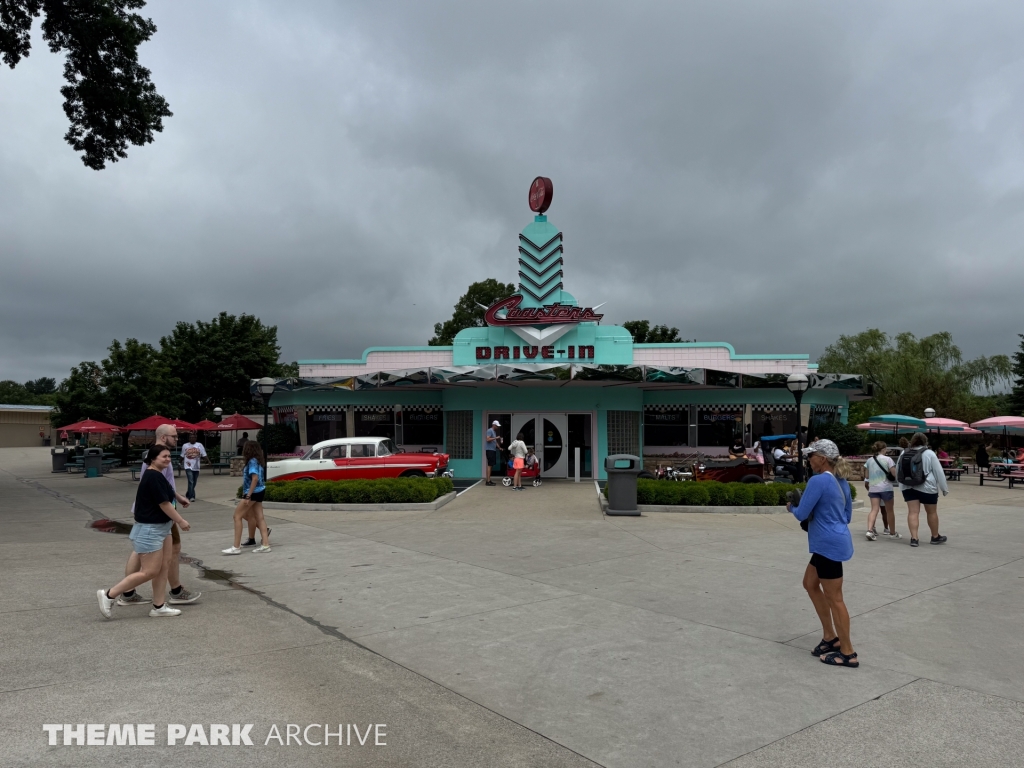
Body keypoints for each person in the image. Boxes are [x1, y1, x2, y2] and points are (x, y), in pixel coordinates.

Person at [97, 445, 192, 619]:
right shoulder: (152, 476)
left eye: (169, 456)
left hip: (162, 527)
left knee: (164, 567)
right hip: (150, 529)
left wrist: (179, 498)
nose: (168, 459)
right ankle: (109, 594)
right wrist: (181, 520)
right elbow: (164, 504)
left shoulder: (157, 475)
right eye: (164, 456)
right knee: (150, 571)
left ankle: (159, 606)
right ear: (153, 458)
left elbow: (168, 493)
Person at [788, 439, 857, 668]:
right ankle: (830, 637)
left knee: (835, 599)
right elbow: (846, 516)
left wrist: (792, 507)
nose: (808, 459)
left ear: (822, 459)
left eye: (810, 456)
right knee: (809, 583)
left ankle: (848, 653)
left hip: (827, 545)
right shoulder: (841, 480)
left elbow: (801, 513)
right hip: (831, 542)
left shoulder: (818, 481)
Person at [119, 424, 200, 607]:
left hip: (157, 509)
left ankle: (129, 593)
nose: (177, 439)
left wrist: (178, 497)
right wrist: (178, 518)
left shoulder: (158, 456)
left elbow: (165, 485)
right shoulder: (158, 459)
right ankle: (175, 591)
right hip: (160, 511)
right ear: (163, 437)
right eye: (174, 436)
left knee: (141, 551)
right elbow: (154, 488)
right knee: (169, 551)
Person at [897, 432, 949, 547]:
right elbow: (938, 471)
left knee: (913, 512)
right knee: (931, 512)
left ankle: (914, 538)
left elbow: (898, 470)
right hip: (927, 487)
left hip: (908, 486)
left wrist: (901, 486)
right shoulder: (929, 453)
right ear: (925, 442)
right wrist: (944, 488)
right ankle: (935, 536)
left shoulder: (904, 452)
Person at [223, 441, 271, 554]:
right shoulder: (258, 461)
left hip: (252, 492)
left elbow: (254, 478)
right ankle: (265, 544)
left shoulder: (252, 461)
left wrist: (248, 495)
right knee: (260, 517)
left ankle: (236, 547)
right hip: (260, 490)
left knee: (237, 516)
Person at [863, 441, 900, 540]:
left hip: (873, 488)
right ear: (883, 449)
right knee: (889, 510)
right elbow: (894, 474)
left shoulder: (869, 460)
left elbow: (866, 476)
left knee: (874, 509)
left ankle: (870, 530)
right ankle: (892, 532)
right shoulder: (888, 459)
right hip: (886, 488)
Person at [180, 432, 207, 502]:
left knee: (194, 482)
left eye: (193, 437)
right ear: (189, 438)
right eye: (191, 437)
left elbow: (204, 454)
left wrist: (208, 461)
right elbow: (182, 455)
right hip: (188, 466)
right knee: (191, 481)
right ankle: (191, 497)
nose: (192, 439)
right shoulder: (185, 445)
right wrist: (179, 463)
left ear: (196, 438)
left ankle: (188, 493)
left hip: (196, 466)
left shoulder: (199, 445)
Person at [484, 421, 501, 486]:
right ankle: (487, 481)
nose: (497, 427)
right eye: (496, 426)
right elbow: (487, 439)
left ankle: (489, 480)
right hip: (489, 450)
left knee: (491, 465)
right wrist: (496, 438)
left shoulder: (494, 432)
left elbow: (494, 441)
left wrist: (499, 447)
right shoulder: (489, 430)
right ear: (493, 425)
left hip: (493, 450)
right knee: (489, 465)